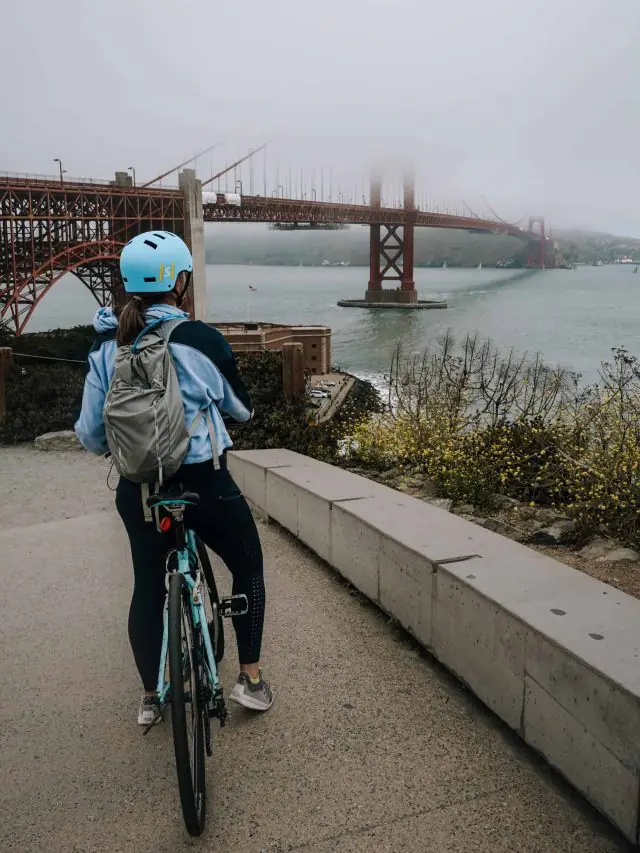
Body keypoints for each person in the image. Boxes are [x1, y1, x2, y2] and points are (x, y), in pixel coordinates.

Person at [75, 230, 273, 725]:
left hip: (139, 490)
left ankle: (150, 696)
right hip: (203, 484)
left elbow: (91, 434)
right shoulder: (200, 339)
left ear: (127, 283)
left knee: (148, 586)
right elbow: (243, 410)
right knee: (248, 564)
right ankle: (249, 680)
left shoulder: (106, 346)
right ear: (179, 282)